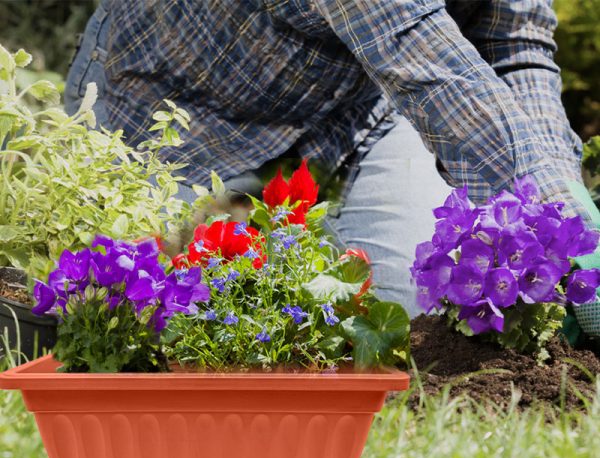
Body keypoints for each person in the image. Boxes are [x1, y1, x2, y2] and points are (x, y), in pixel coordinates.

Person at [65, 0, 599, 321]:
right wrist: (544, 206)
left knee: (421, 316)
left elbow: (512, 44)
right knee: (151, 320)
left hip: (356, 112)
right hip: (177, 111)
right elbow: (413, 45)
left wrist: (563, 199)